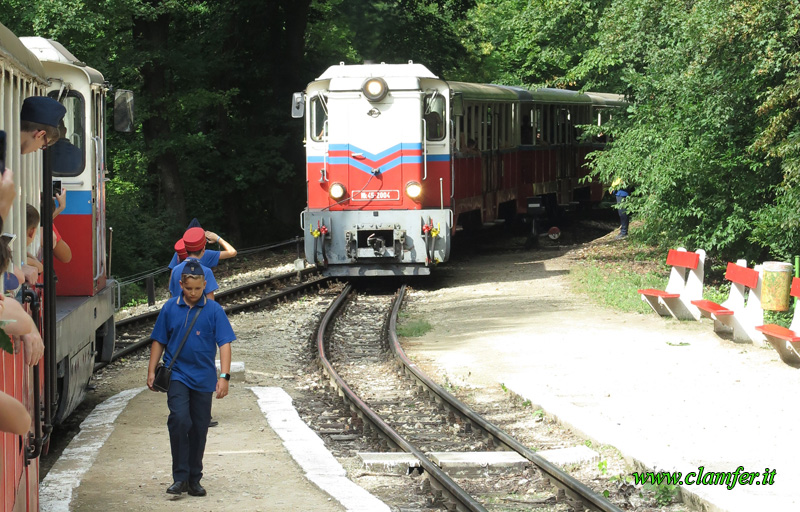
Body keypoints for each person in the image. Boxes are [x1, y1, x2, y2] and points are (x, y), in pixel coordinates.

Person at [147, 261, 234, 497]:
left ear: (205, 285)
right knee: (179, 420)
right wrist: (151, 370)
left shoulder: (214, 310)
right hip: (177, 375)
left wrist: (224, 377)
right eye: (188, 289)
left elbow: (225, 343)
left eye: (197, 289)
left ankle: (194, 479)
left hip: (204, 378)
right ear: (180, 285)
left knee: (199, 427)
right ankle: (180, 477)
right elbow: (159, 340)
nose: (193, 293)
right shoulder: (169, 308)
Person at [168, 227, 218, 299]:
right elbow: (210, 301)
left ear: (186, 249)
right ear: (203, 249)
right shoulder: (206, 271)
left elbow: (172, 296)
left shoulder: (175, 270)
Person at [167, 219, 237, 270]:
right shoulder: (206, 254)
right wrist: (217, 238)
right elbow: (232, 252)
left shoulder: (178, 254)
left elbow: (171, 279)